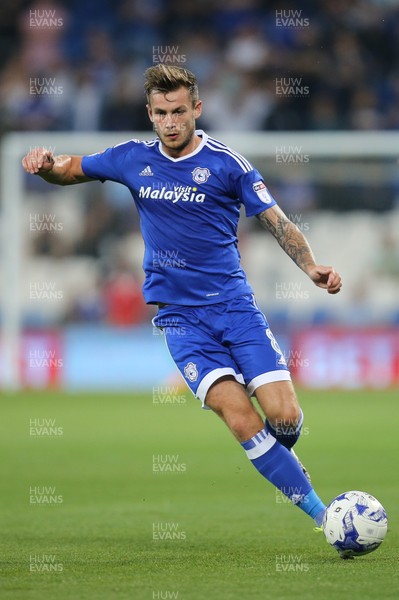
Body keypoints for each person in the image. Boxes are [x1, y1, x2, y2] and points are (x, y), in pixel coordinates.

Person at [22, 64, 342, 550]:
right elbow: (71, 170)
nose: (170, 122)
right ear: (149, 115)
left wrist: (312, 268)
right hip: (179, 318)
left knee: (285, 419)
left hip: (236, 308)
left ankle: (286, 459)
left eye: (178, 111)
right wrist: (46, 165)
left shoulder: (227, 164)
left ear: (197, 109)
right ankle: (327, 520)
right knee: (240, 420)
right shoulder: (132, 158)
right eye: (160, 113)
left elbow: (277, 221)